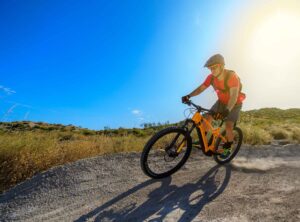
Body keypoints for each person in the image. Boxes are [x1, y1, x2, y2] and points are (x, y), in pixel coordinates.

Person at [182, 54, 246, 153]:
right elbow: (200, 88)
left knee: (229, 125)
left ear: (222, 66)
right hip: (221, 102)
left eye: (214, 67)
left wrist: (227, 110)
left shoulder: (232, 77)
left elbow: (234, 96)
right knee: (207, 118)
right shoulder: (211, 78)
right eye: (210, 68)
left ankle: (228, 147)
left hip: (235, 104)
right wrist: (188, 96)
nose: (212, 71)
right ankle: (203, 141)